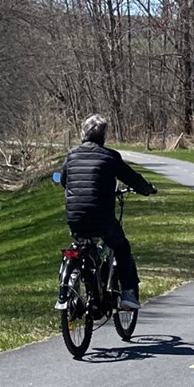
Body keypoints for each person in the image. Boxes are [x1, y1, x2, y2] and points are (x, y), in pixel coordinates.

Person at [60, 114, 156, 311]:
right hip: (102, 218)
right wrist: (147, 189)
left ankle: (86, 289)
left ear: (83, 134)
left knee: (85, 246)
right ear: (104, 136)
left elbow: (63, 181)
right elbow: (132, 178)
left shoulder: (71, 155)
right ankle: (128, 293)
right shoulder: (110, 157)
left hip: (75, 217)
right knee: (121, 247)